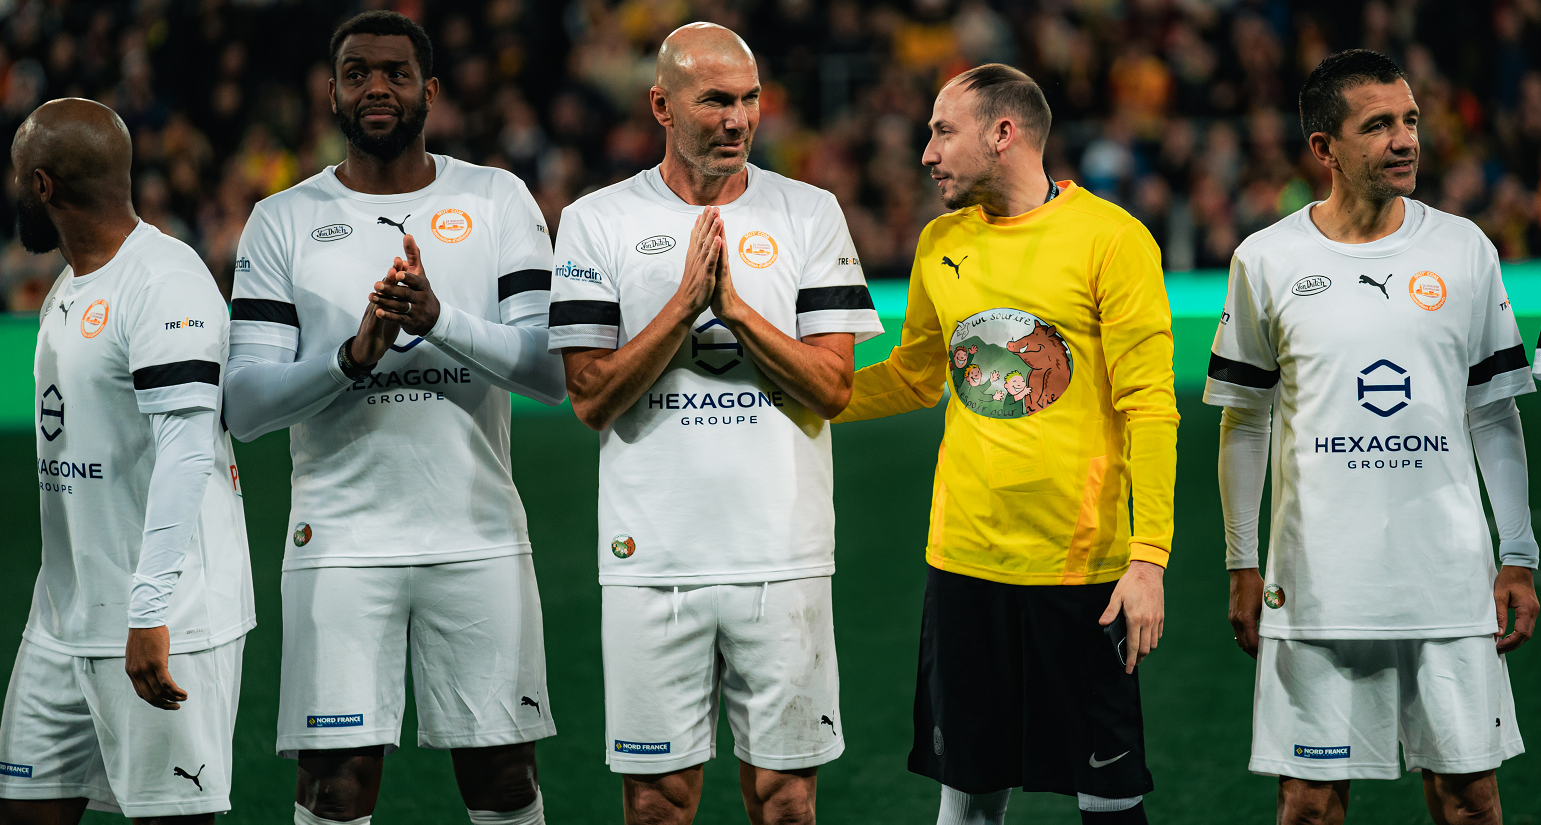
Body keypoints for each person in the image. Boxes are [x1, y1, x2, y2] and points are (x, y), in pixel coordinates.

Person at [222, 11, 565, 825]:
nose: (376, 86)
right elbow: (244, 405)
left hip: (476, 532)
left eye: (395, 73)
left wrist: (438, 320)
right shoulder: (282, 219)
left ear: (430, 91)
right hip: (340, 541)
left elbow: (553, 373)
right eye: (357, 71)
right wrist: (353, 354)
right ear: (332, 90)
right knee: (334, 784)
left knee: (505, 778)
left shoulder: (495, 198)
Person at [546, 22, 882, 825]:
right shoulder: (597, 221)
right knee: (659, 803)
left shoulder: (809, 212)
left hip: (783, 554)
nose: (736, 120)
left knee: (787, 802)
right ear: (662, 105)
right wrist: (682, 308)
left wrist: (731, 310)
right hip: (650, 558)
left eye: (749, 100)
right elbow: (589, 396)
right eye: (715, 101)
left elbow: (833, 387)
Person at [834, 64, 1177, 825]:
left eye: (941, 130)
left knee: (1109, 795)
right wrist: (804, 397)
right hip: (964, 560)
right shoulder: (939, 242)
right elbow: (916, 377)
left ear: (1003, 133)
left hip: (1080, 567)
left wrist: (1148, 556)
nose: (925, 152)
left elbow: (1150, 406)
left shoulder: (1112, 241)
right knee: (969, 787)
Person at [1210, 49, 1538, 825]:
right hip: (1317, 583)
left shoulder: (1463, 250)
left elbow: (1494, 411)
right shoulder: (1265, 260)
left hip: (1447, 580)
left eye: (1410, 121)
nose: (1405, 140)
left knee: (1469, 802)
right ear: (1324, 148)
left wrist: (1518, 552)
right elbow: (1244, 417)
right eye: (1378, 125)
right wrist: (1240, 560)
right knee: (1309, 807)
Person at [0, 98, 254, 824]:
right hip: (64, 615)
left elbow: (185, 449)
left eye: (18, 176)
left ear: (42, 185)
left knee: (172, 818)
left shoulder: (164, 281)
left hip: (163, 619)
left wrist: (148, 610)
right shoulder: (69, 283)